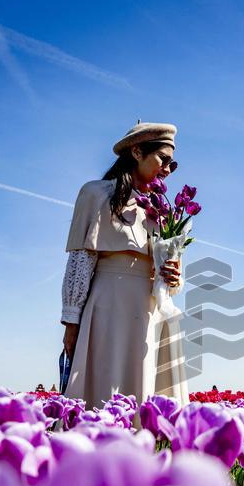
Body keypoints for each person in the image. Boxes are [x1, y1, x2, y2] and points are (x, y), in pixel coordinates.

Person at [60, 121, 190, 410]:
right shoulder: (96, 193)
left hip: (152, 313)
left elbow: (175, 282)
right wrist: (72, 322)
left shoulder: (164, 210)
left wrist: (173, 275)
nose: (167, 170)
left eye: (173, 164)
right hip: (109, 308)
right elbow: (81, 262)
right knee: (104, 389)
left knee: (149, 397)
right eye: (163, 160)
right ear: (136, 152)